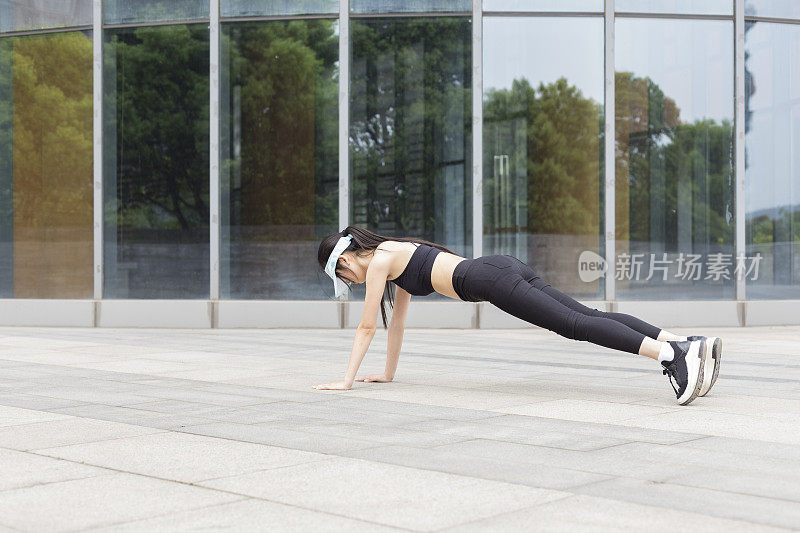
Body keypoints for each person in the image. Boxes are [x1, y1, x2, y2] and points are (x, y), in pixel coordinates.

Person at [314, 226, 722, 405]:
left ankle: (672, 358)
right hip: (499, 268)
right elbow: (395, 323)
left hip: (492, 280)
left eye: (343, 274)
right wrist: (386, 374)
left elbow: (368, 324)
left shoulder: (382, 259)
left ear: (347, 257)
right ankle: (683, 343)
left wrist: (346, 381)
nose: (348, 282)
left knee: (575, 325)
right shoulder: (394, 256)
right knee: (585, 313)